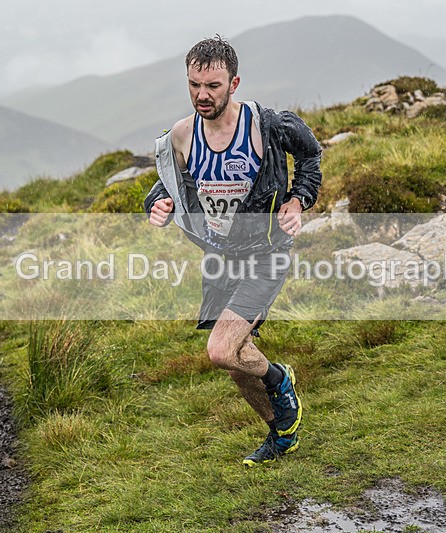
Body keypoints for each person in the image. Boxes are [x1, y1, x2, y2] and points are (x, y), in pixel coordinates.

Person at [143, 36, 323, 467]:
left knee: (222, 349)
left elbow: (312, 157)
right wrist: (158, 205)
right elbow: (168, 184)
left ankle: (281, 383)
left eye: (213, 86)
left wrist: (297, 200)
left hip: (266, 254)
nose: (202, 95)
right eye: (194, 85)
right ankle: (282, 434)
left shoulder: (268, 126)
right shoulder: (181, 137)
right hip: (220, 260)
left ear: (234, 83)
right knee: (234, 360)